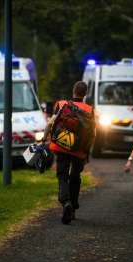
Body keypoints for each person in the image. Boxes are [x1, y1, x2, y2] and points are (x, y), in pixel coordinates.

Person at [42, 81, 95, 225]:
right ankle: (73, 205)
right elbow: (92, 133)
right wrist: (87, 151)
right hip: (79, 149)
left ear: (73, 91)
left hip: (61, 146)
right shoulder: (90, 110)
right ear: (85, 94)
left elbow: (51, 123)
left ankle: (66, 202)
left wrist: (43, 138)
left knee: (62, 175)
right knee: (75, 176)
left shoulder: (61, 104)